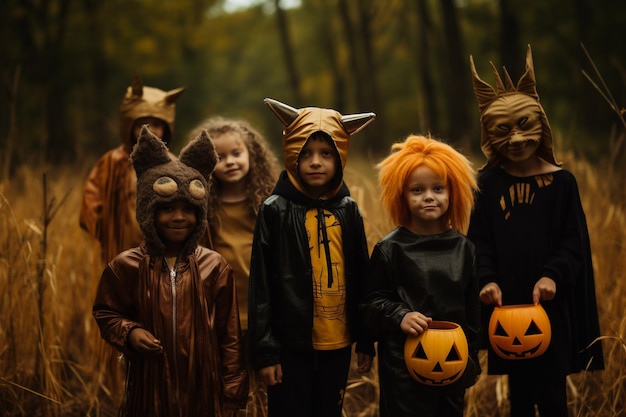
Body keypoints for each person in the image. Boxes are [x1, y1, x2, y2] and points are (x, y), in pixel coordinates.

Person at [467, 45, 604, 417]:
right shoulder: (486, 185)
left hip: (551, 308)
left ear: (540, 123)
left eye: (523, 126)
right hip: (506, 308)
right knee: (520, 399)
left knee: (554, 397)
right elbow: (478, 241)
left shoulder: (562, 184)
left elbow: (573, 241)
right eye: (502, 130)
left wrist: (552, 274)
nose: (514, 140)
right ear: (489, 133)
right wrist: (487, 279)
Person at [92, 126, 248, 417]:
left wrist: (233, 390)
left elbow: (230, 336)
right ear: (147, 212)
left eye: (188, 210)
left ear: (199, 215)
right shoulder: (125, 266)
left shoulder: (215, 267)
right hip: (149, 391)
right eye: (166, 209)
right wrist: (130, 332)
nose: (178, 217)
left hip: (204, 392)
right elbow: (106, 312)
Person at [247, 98, 376, 417]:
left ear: (340, 156)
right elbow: (261, 288)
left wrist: (365, 339)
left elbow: (362, 275)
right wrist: (266, 353)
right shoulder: (274, 210)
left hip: (337, 344)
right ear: (291, 154)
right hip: (291, 346)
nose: (316, 162)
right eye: (305, 153)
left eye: (326, 153)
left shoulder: (348, 210)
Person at [360, 135, 481, 417]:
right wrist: (399, 315)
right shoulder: (390, 248)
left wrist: (472, 358)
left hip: (452, 361)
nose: (429, 196)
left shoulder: (465, 249)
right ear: (401, 195)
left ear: (453, 192)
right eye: (417, 190)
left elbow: (472, 313)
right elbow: (370, 303)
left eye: (438, 188)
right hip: (403, 365)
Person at [190, 116, 280, 416]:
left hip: (263, 312)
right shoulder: (201, 207)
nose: (230, 162)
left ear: (252, 154)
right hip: (222, 312)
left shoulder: (269, 202)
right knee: (227, 386)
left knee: (268, 387)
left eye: (236, 153)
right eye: (219, 157)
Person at [80, 72, 185, 264]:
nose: (150, 131)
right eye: (143, 125)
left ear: (166, 129)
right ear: (129, 127)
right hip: (119, 251)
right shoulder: (113, 161)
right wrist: (108, 232)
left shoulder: (173, 164)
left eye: (156, 125)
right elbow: (91, 202)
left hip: (161, 254)